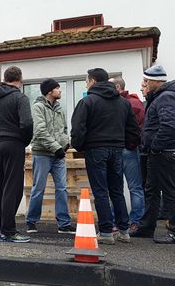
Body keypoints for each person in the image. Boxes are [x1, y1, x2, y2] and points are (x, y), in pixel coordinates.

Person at [71, 68, 139, 244]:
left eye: (87, 80)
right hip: (117, 150)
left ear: (92, 81)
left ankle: (107, 232)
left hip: (95, 150)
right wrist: (126, 144)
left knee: (101, 191)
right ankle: (124, 231)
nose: (86, 83)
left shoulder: (87, 102)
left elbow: (78, 129)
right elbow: (133, 129)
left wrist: (80, 146)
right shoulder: (123, 103)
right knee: (117, 190)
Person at [0, 66, 33, 243]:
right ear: (20, 79)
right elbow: (26, 123)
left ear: (4, 78)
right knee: (13, 187)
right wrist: (22, 140)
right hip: (13, 144)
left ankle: (1, 225)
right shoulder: (20, 97)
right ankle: (9, 231)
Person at [131, 65, 175, 244]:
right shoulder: (158, 97)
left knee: (170, 193)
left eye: (147, 81)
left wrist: (156, 146)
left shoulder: (166, 97)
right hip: (156, 153)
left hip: (164, 153)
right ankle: (147, 227)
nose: (144, 84)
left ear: (158, 81)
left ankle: (173, 231)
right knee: (152, 191)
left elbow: (170, 125)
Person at [25, 79, 75, 234]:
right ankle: (31, 221)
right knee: (38, 188)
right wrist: (56, 148)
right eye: (57, 88)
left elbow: (64, 129)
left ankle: (64, 224)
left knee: (62, 188)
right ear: (49, 91)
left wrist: (65, 143)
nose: (60, 91)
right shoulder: (38, 107)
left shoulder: (59, 108)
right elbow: (39, 131)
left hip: (58, 155)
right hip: (42, 154)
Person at [109, 76, 145, 230]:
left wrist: (129, 144)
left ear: (117, 87)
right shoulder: (134, 102)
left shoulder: (129, 103)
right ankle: (133, 222)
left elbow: (137, 129)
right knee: (132, 187)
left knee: (125, 187)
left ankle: (125, 221)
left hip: (123, 149)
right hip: (127, 149)